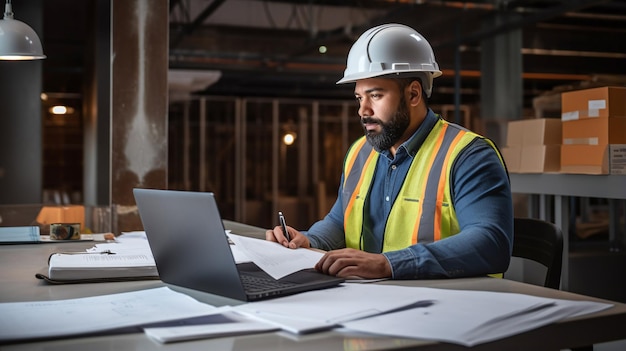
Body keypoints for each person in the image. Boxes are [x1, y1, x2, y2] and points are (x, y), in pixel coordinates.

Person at [266, 23, 513, 280]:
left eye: (375, 95)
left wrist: (388, 264)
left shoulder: (468, 155)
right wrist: (308, 240)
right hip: (373, 300)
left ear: (414, 94)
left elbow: (491, 243)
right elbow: (340, 222)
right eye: (359, 98)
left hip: (453, 305)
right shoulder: (359, 152)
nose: (363, 111)